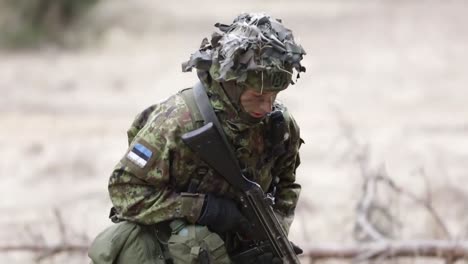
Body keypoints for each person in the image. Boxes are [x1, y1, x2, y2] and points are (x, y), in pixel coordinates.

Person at [88, 12, 306, 264]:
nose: (268, 107)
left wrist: (272, 231)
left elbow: (286, 185)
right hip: (172, 250)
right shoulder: (178, 121)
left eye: (274, 96)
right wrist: (201, 208)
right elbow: (124, 190)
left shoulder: (279, 128)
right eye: (257, 97)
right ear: (231, 85)